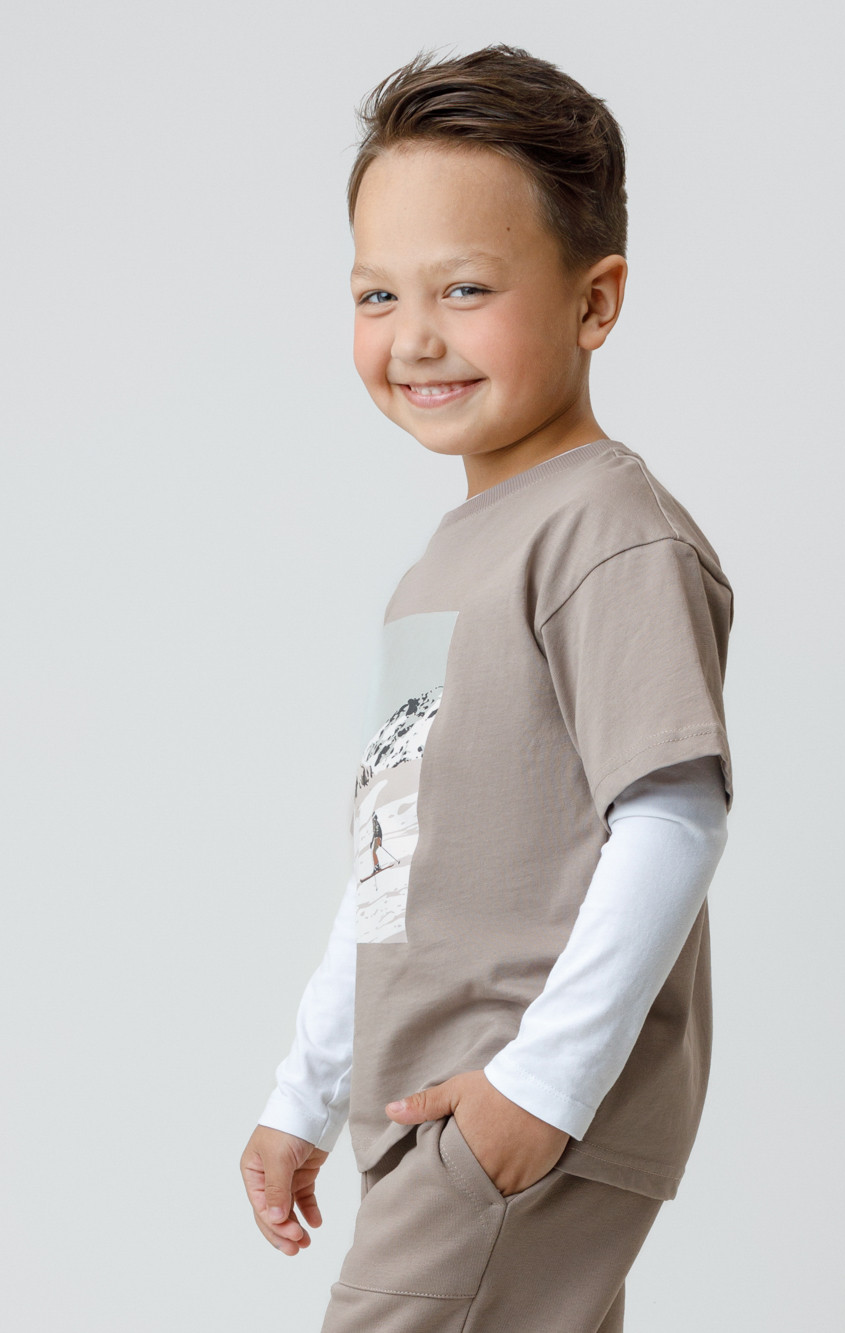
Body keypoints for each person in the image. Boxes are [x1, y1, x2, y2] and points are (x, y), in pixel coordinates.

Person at [240, 44, 735, 1333]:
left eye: (465, 288)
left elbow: (673, 815)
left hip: (509, 1100)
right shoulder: (444, 568)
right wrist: (306, 1090)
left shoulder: (608, 534)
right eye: (377, 293)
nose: (415, 336)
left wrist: (540, 1091)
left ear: (594, 300)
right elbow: (392, 863)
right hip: (434, 1108)